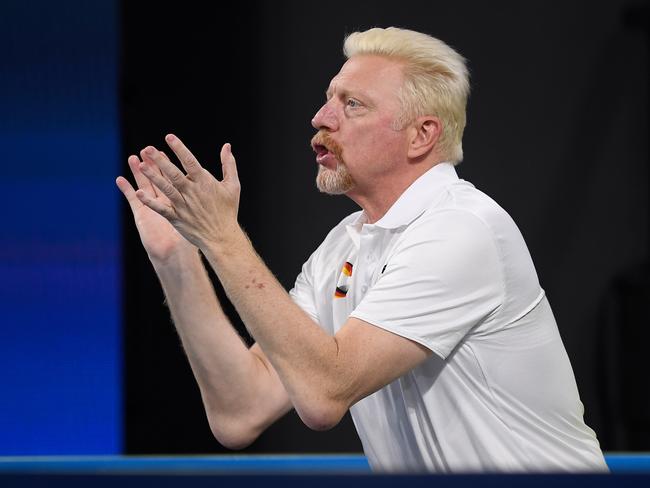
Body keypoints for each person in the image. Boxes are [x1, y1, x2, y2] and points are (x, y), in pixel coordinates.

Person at [115, 27, 607, 472]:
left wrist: (222, 236)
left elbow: (325, 393)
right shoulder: (343, 246)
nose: (321, 117)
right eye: (329, 98)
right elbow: (241, 410)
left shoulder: (462, 229)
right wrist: (180, 256)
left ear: (422, 135)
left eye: (353, 105)